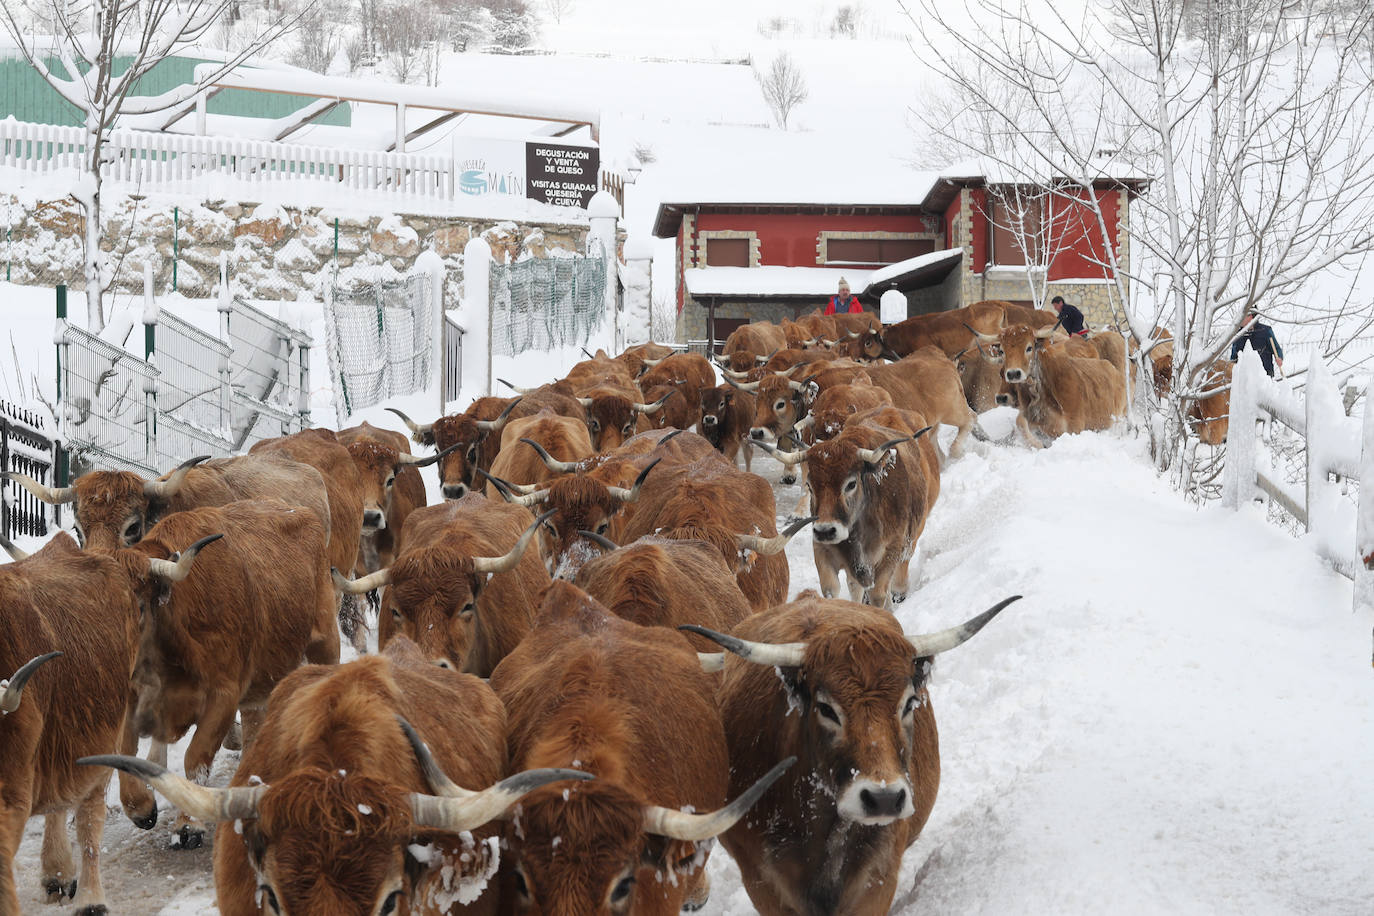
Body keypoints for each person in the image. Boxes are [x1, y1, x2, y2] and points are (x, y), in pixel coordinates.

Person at [1230, 309, 1284, 377]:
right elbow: (1233, 357)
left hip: (1265, 374)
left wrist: (1279, 357)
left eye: (1243, 316)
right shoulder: (1238, 335)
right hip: (1244, 377)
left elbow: (1276, 348)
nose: (1240, 319)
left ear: (1250, 316)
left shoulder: (1265, 331)